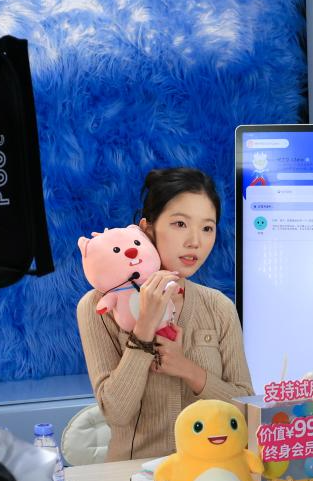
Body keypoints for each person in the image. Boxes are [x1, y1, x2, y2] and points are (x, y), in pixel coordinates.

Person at [77, 167, 254, 461]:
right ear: (146, 228)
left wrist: (188, 370)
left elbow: (246, 410)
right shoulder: (99, 306)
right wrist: (144, 328)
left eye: (207, 228)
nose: (195, 241)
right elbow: (116, 413)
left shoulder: (218, 306)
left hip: (210, 474)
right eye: (180, 224)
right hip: (133, 477)